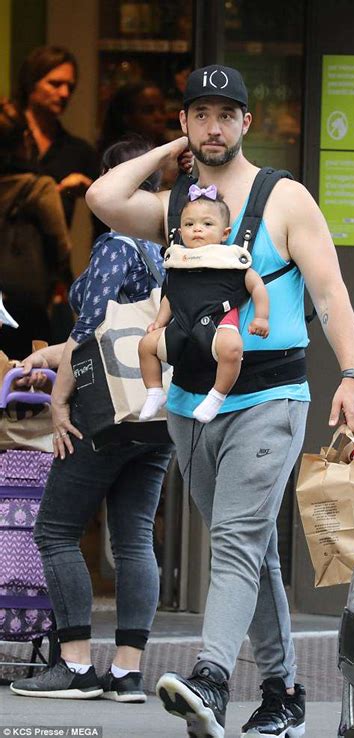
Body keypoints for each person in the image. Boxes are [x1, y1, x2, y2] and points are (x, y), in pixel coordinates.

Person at [86, 64, 354, 737]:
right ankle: (283, 694)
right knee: (252, 550)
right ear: (186, 124)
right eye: (200, 114)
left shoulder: (285, 198)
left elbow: (330, 295)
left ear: (247, 122)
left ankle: (212, 679)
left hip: (271, 394)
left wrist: (353, 377)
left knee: (238, 539)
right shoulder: (179, 202)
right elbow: (102, 197)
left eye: (226, 114)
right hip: (192, 403)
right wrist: (164, 155)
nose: (214, 126)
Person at [9, 137, 180, 703]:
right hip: (155, 413)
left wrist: (59, 398)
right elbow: (122, 333)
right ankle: (128, 672)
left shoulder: (118, 242)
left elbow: (91, 331)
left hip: (102, 415)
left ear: (116, 178)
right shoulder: (168, 247)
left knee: (55, 531)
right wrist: (48, 356)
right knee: (133, 539)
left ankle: (77, 666)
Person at [138, 184, 269, 423]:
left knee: (232, 348)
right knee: (146, 345)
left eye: (207, 224)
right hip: (182, 325)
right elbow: (172, 296)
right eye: (189, 224)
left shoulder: (231, 260)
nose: (197, 229)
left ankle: (217, 396)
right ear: (180, 231)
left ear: (225, 233)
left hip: (219, 322)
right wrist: (159, 322)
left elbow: (256, 285)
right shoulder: (178, 260)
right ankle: (154, 391)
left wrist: (261, 317)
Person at [0, 99, 71, 358]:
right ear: (23, 140)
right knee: (26, 375)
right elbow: (61, 245)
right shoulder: (39, 188)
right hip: (24, 304)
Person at [16, 45, 99, 228]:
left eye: (70, 86)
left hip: (52, 254)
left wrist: (90, 191)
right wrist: (57, 191)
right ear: (31, 83)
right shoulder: (8, 139)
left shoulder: (77, 150)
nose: (64, 94)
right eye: (55, 84)